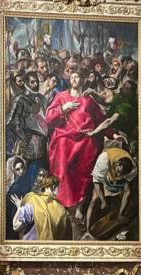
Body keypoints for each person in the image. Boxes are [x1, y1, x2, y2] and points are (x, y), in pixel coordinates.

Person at [45, 71, 111, 220]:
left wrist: (112, 133)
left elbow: (101, 119)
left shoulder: (88, 99)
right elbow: (49, 118)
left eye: (78, 76)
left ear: (82, 79)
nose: (75, 79)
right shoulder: (61, 96)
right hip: (65, 138)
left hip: (85, 140)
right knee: (65, 168)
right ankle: (65, 205)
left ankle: (79, 206)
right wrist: (63, 108)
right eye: (72, 77)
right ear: (69, 79)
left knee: (84, 171)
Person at [11, 174, 72, 241]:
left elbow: (16, 226)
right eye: (59, 187)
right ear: (54, 187)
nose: (59, 190)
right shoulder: (61, 209)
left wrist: (19, 207)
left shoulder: (33, 202)